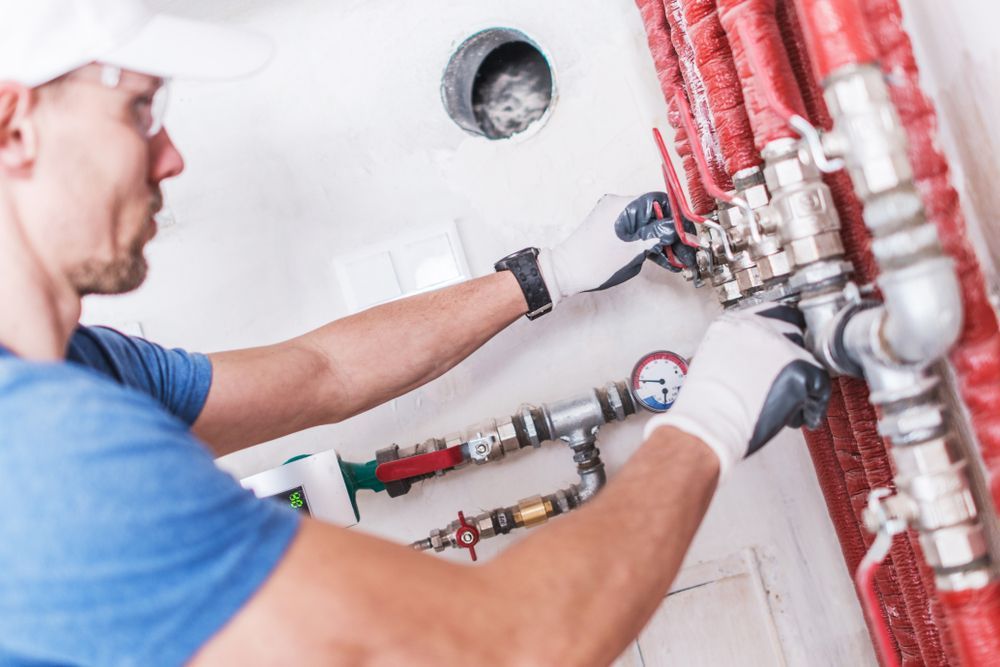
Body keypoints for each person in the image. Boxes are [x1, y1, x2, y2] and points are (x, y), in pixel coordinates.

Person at [0, 2, 831, 665]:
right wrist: (710, 418)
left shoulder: (80, 367)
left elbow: (320, 373)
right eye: (139, 109)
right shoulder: (37, 447)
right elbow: (511, 642)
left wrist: (549, 272)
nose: (171, 157)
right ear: (13, 126)